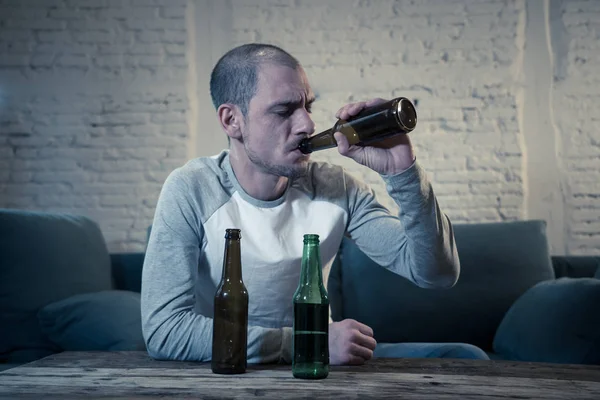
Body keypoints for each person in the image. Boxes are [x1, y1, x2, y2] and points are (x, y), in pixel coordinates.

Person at [141, 43, 489, 365]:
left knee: (465, 356)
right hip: (234, 368)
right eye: (284, 111)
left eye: (307, 106)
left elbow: (437, 274)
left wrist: (404, 173)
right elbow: (164, 332)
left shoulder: (335, 187)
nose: (307, 124)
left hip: (319, 367)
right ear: (232, 120)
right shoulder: (191, 189)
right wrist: (305, 342)